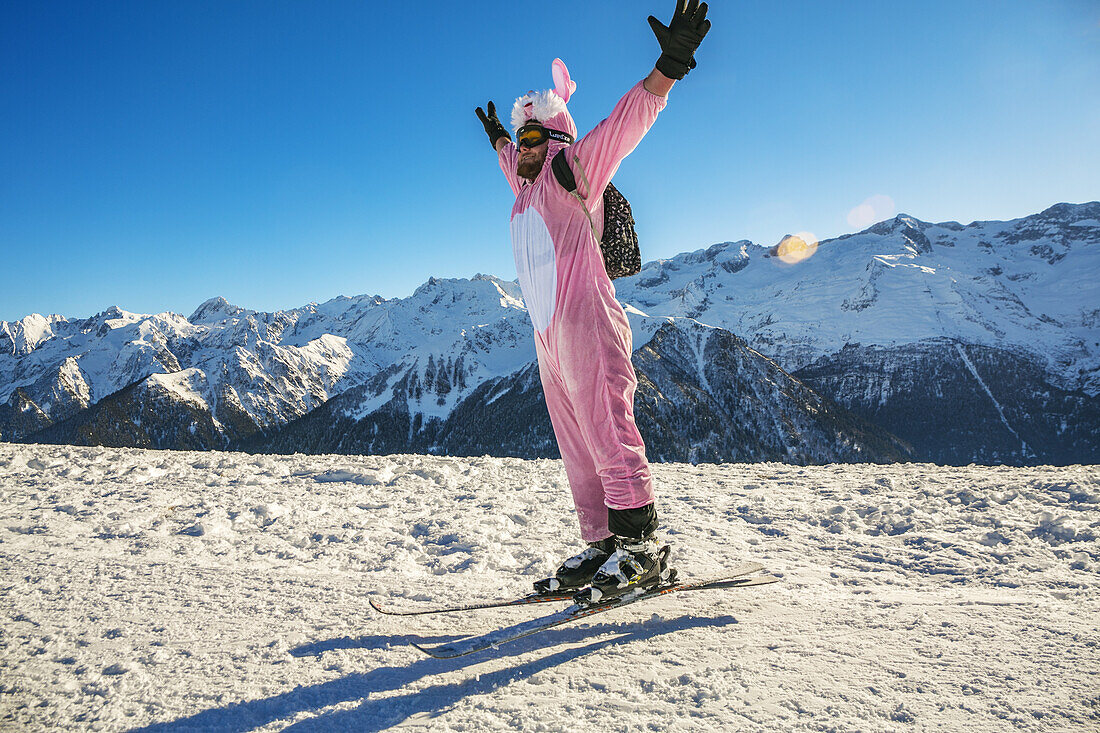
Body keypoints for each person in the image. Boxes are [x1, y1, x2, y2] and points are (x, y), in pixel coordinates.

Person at [475, 1, 711, 603]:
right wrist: (502, 135)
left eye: (532, 136)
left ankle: (643, 546)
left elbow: (623, 124)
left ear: (554, 136)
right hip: (548, 334)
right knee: (577, 442)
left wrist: (670, 64)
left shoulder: (572, 169)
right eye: (520, 139)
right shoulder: (524, 184)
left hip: (587, 319)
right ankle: (605, 542)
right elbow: (509, 159)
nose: (521, 147)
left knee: (608, 427)